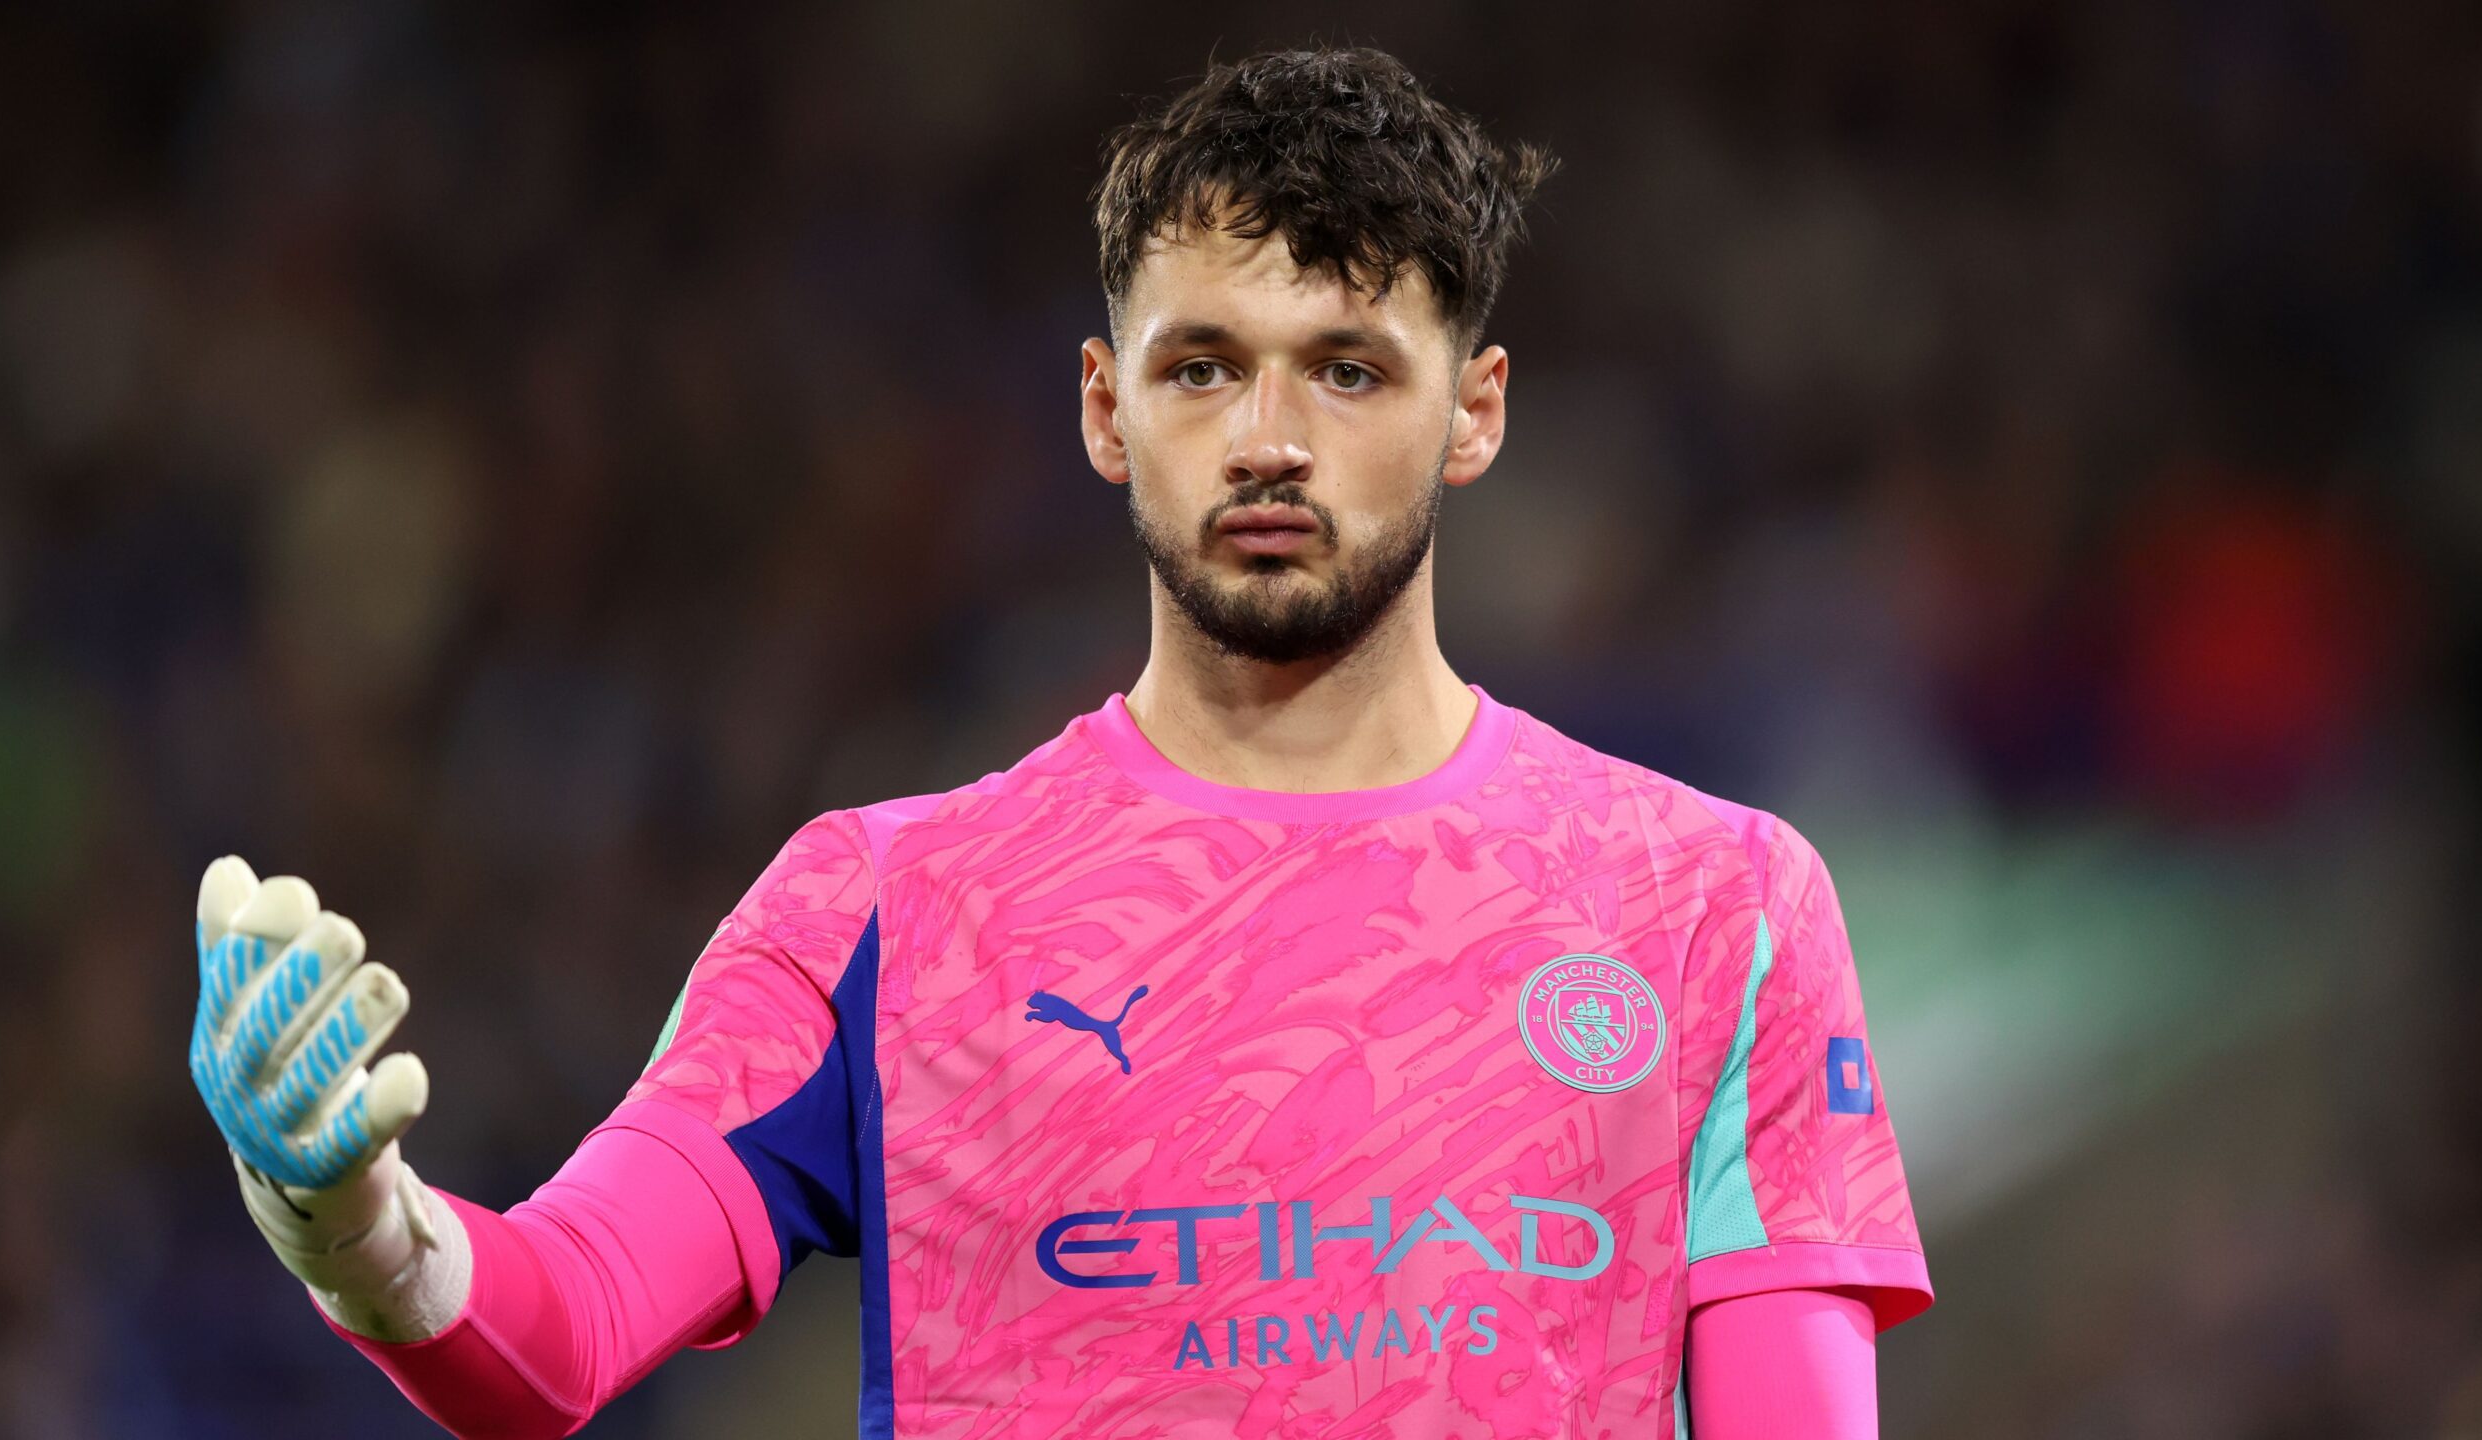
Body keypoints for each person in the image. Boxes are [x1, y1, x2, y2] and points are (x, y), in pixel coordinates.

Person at [188, 45, 1931, 1439]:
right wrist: (353, 1225)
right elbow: (559, 1329)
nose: (1268, 438)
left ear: (1472, 412)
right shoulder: (879, 913)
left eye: (1347, 368)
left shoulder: (1711, 909)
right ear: (1106, 407)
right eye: (1202, 367)